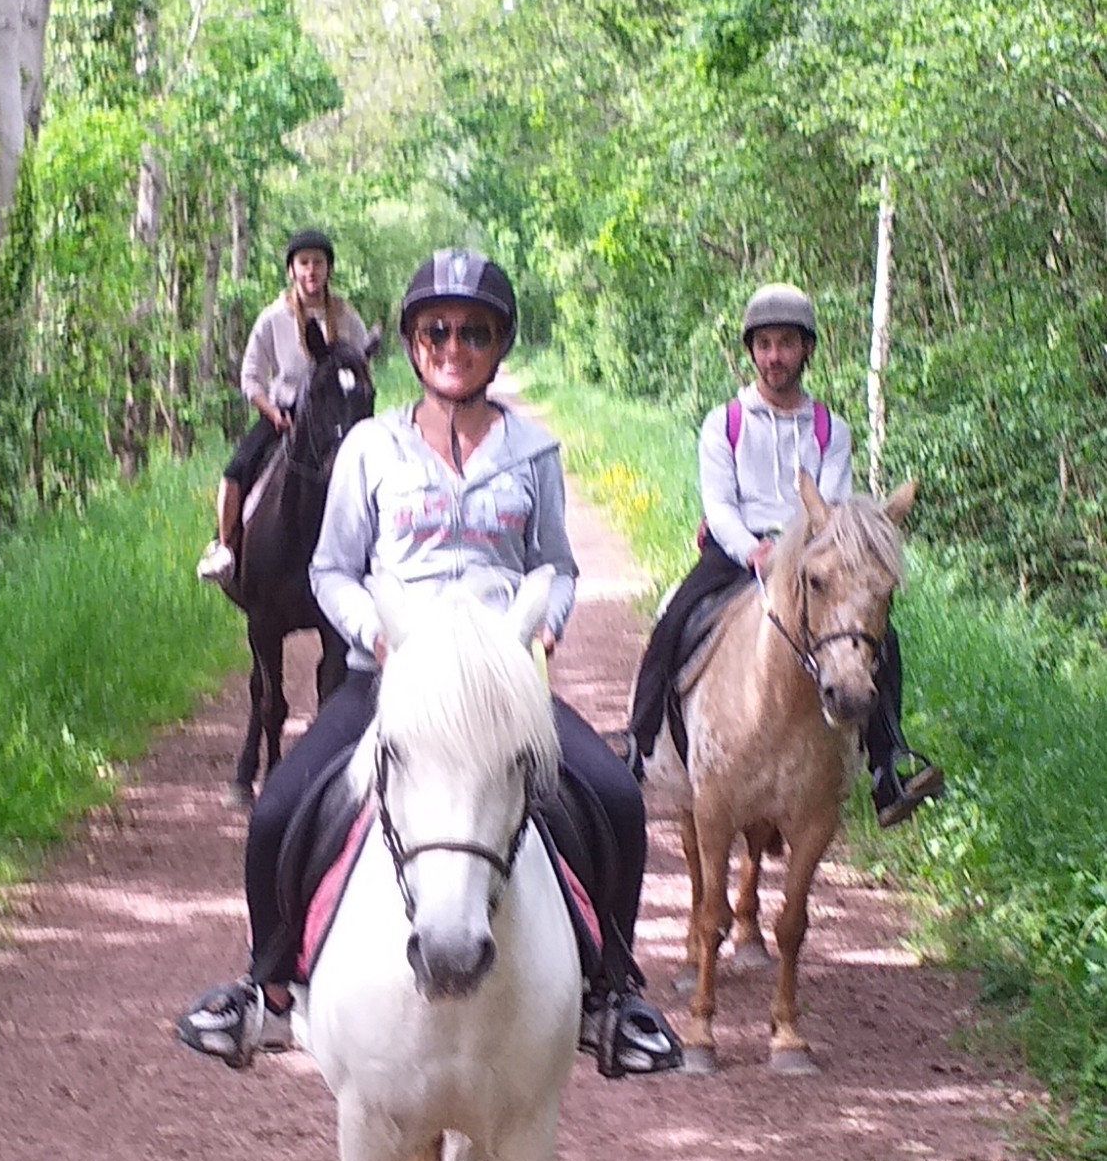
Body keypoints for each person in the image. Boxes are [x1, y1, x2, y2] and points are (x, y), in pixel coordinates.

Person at [179, 249, 681, 1076]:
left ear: (498, 344)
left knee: (616, 798)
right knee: (277, 814)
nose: (455, 345)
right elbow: (331, 568)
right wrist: (372, 634)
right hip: (391, 676)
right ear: (413, 343)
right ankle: (267, 994)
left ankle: (611, 996)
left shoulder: (533, 454)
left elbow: (554, 566)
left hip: (496, 680)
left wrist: (543, 627)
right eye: (437, 330)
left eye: (474, 331)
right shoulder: (370, 448)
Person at [628, 282, 944, 828]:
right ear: (752, 351)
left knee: (880, 640)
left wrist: (804, 550)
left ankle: (887, 764)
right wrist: (755, 551)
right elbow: (719, 505)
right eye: (765, 344)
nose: (775, 357)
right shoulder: (723, 423)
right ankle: (640, 740)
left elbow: (834, 507)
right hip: (736, 554)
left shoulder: (830, 430)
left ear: (807, 350)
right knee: (674, 616)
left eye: (787, 344)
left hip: (815, 558)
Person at [198, 230, 370, 585]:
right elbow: (251, 376)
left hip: (335, 416)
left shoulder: (347, 317)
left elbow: (361, 364)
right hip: (285, 414)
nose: (311, 271)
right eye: (304, 263)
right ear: (292, 270)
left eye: (318, 263)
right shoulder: (273, 318)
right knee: (236, 470)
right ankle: (227, 548)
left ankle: (377, 551)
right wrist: (271, 412)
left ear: (328, 270)